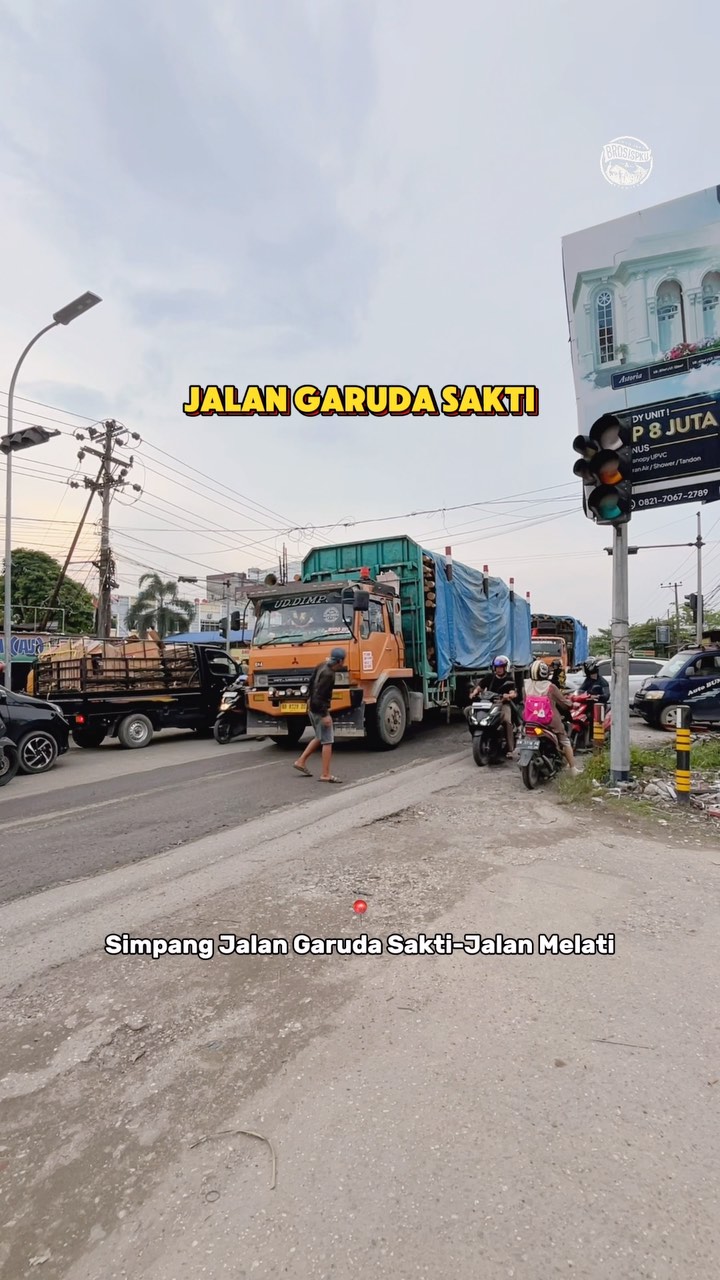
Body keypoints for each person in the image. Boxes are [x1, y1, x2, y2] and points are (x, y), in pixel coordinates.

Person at [293, 647, 346, 783]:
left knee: (319, 737)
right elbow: (319, 696)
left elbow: (310, 684)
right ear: (340, 661)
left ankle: (301, 761)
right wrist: (325, 715)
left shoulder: (321, 665)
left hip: (312, 706)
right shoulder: (329, 674)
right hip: (319, 709)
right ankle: (325, 774)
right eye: (343, 661)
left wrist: (308, 699)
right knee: (328, 741)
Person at [523, 659, 578, 774]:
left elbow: (524, 701)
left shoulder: (526, 685)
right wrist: (571, 704)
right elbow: (563, 703)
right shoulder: (550, 687)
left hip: (530, 720)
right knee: (564, 740)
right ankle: (573, 769)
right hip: (549, 721)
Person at [469, 655, 518, 758]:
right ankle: (476, 736)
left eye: (501, 667)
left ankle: (510, 749)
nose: (499, 669)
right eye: (497, 667)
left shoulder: (509, 679)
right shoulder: (490, 677)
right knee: (468, 711)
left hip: (502, 704)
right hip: (488, 703)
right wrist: (474, 692)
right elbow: (479, 687)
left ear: (505, 667)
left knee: (507, 721)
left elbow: (513, 693)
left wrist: (508, 696)